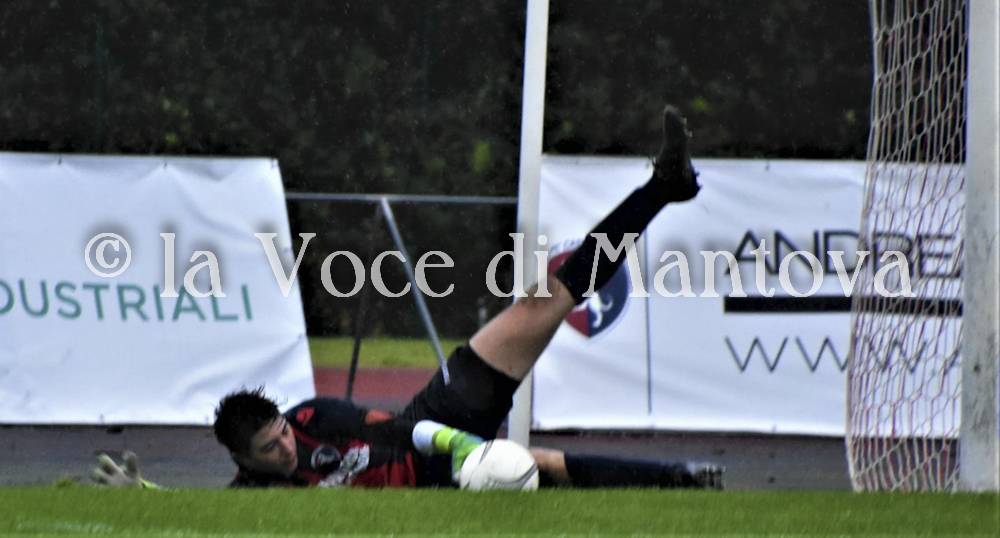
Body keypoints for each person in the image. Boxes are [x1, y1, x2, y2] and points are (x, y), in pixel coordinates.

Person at [92, 106, 724, 490]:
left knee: (545, 301)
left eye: (279, 433)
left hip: (432, 429)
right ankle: (684, 481)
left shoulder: (314, 419)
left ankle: (664, 188)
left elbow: (401, 428)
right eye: (269, 449)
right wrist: (144, 495)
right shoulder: (254, 496)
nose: (285, 447)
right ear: (242, 460)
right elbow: (202, 518)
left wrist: (462, 445)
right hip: (433, 487)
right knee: (539, 468)